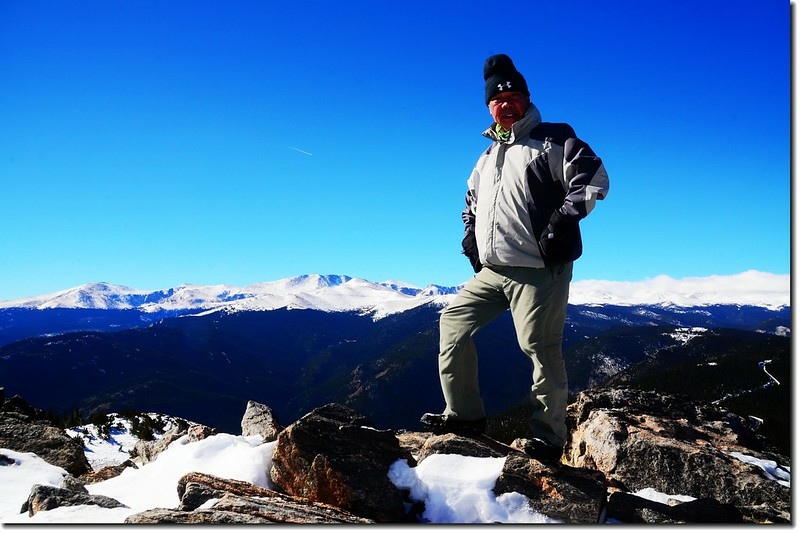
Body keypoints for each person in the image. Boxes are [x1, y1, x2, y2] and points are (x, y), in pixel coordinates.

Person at [421, 54, 609, 462]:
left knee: (539, 347)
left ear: (525, 99)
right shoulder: (487, 157)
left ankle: (548, 438)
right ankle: (465, 418)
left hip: (539, 269)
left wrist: (560, 223)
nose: (505, 103)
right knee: (452, 322)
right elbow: (471, 201)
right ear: (489, 106)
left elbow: (593, 180)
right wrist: (470, 236)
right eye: (497, 99)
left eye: (513, 96)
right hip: (494, 270)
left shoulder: (554, 140)